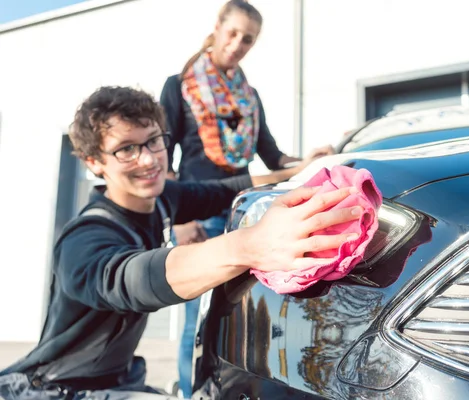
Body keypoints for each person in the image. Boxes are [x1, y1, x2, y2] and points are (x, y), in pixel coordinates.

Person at [0, 86, 360, 400]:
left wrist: (299, 171)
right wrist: (251, 245)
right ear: (95, 162)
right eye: (126, 149)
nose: (148, 159)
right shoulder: (85, 238)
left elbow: (226, 189)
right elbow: (134, 278)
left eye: (153, 141)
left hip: (122, 379)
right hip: (59, 389)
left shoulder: (162, 198)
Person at [158, 1, 333, 396]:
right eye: (233, 33)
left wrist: (307, 161)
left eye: (248, 39)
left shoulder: (249, 98)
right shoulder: (180, 86)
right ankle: (193, 392)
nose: (238, 44)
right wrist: (181, 222)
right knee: (196, 321)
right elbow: (163, 161)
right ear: (218, 27)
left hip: (244, 218)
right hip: (198, 220)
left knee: (239, 319)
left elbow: (274, 159)